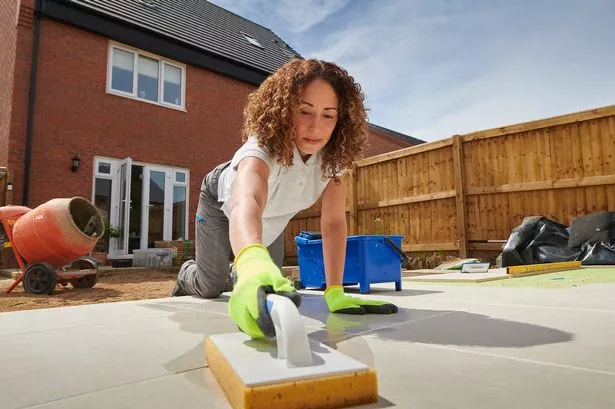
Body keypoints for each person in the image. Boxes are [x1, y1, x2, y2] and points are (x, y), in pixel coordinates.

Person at [172, 58, 398, 339]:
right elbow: (248, 201)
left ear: (341, 119)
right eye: (305, 112)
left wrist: (335, 290)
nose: (316, 127)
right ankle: (188, 273)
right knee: (212, 286)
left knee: (273, 285)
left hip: (271, 215)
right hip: (222, 202)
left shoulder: (333, 158)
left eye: (328, 115)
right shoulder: (263, 145)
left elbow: (334, 222)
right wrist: (252, 257)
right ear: (284, 110)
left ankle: (242, 270)